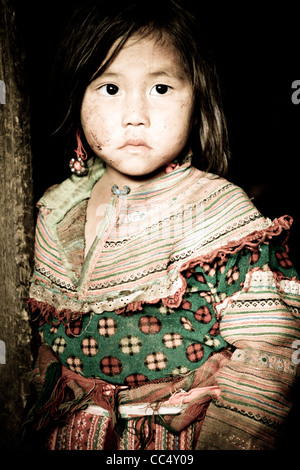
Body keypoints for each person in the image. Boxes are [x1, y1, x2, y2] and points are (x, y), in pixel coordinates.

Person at [23, 0, 300, 450]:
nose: (135, 115)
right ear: (77, 97)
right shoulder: (57, 209)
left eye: (161, 88)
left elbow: (270, 351)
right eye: (110, 89)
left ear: (198, 100)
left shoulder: (220, 213)